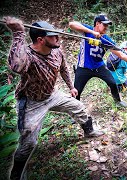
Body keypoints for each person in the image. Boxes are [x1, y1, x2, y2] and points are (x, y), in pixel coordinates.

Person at [3, 17, 104, 180]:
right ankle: (16, 175)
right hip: (31, 102)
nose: (58, 38)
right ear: (40, 40)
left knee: (78, 107)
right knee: (28, 142)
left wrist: (71, 87)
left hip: (52, 94)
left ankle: (89, 131)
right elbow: (16, 66)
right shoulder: (28, 55)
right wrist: (18, 33)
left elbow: (63, 68)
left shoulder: (56, 50)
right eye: (53, 36)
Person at [69, 14, 127, 107]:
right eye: (104, 25)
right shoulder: (86, 31)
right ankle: (75, 109)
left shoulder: (106, 39)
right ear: (97, 23)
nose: (106, 27)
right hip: (84, 66)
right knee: (77, 90)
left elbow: (121, 54)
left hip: (99, 66)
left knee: (112, 83)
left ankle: (118, 101)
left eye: (107, 25)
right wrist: (92, 32)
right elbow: (72, 24)